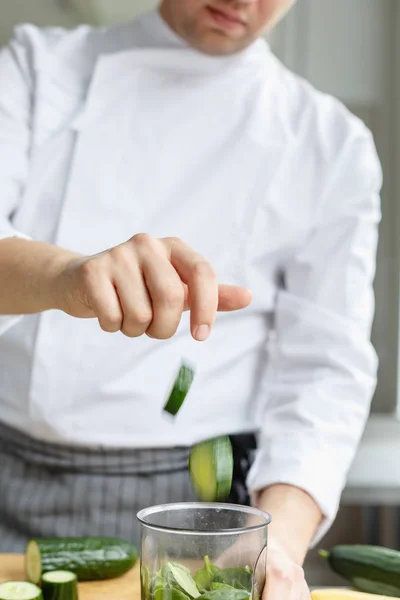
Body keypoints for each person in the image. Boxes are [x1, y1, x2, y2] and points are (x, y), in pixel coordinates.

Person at [0, 0, 381, 598]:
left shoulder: (329, 142)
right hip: (10, 472)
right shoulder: (36, 67)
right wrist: (69, 278)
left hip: (201, 512)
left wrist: (273, 546)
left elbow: (326, 371)